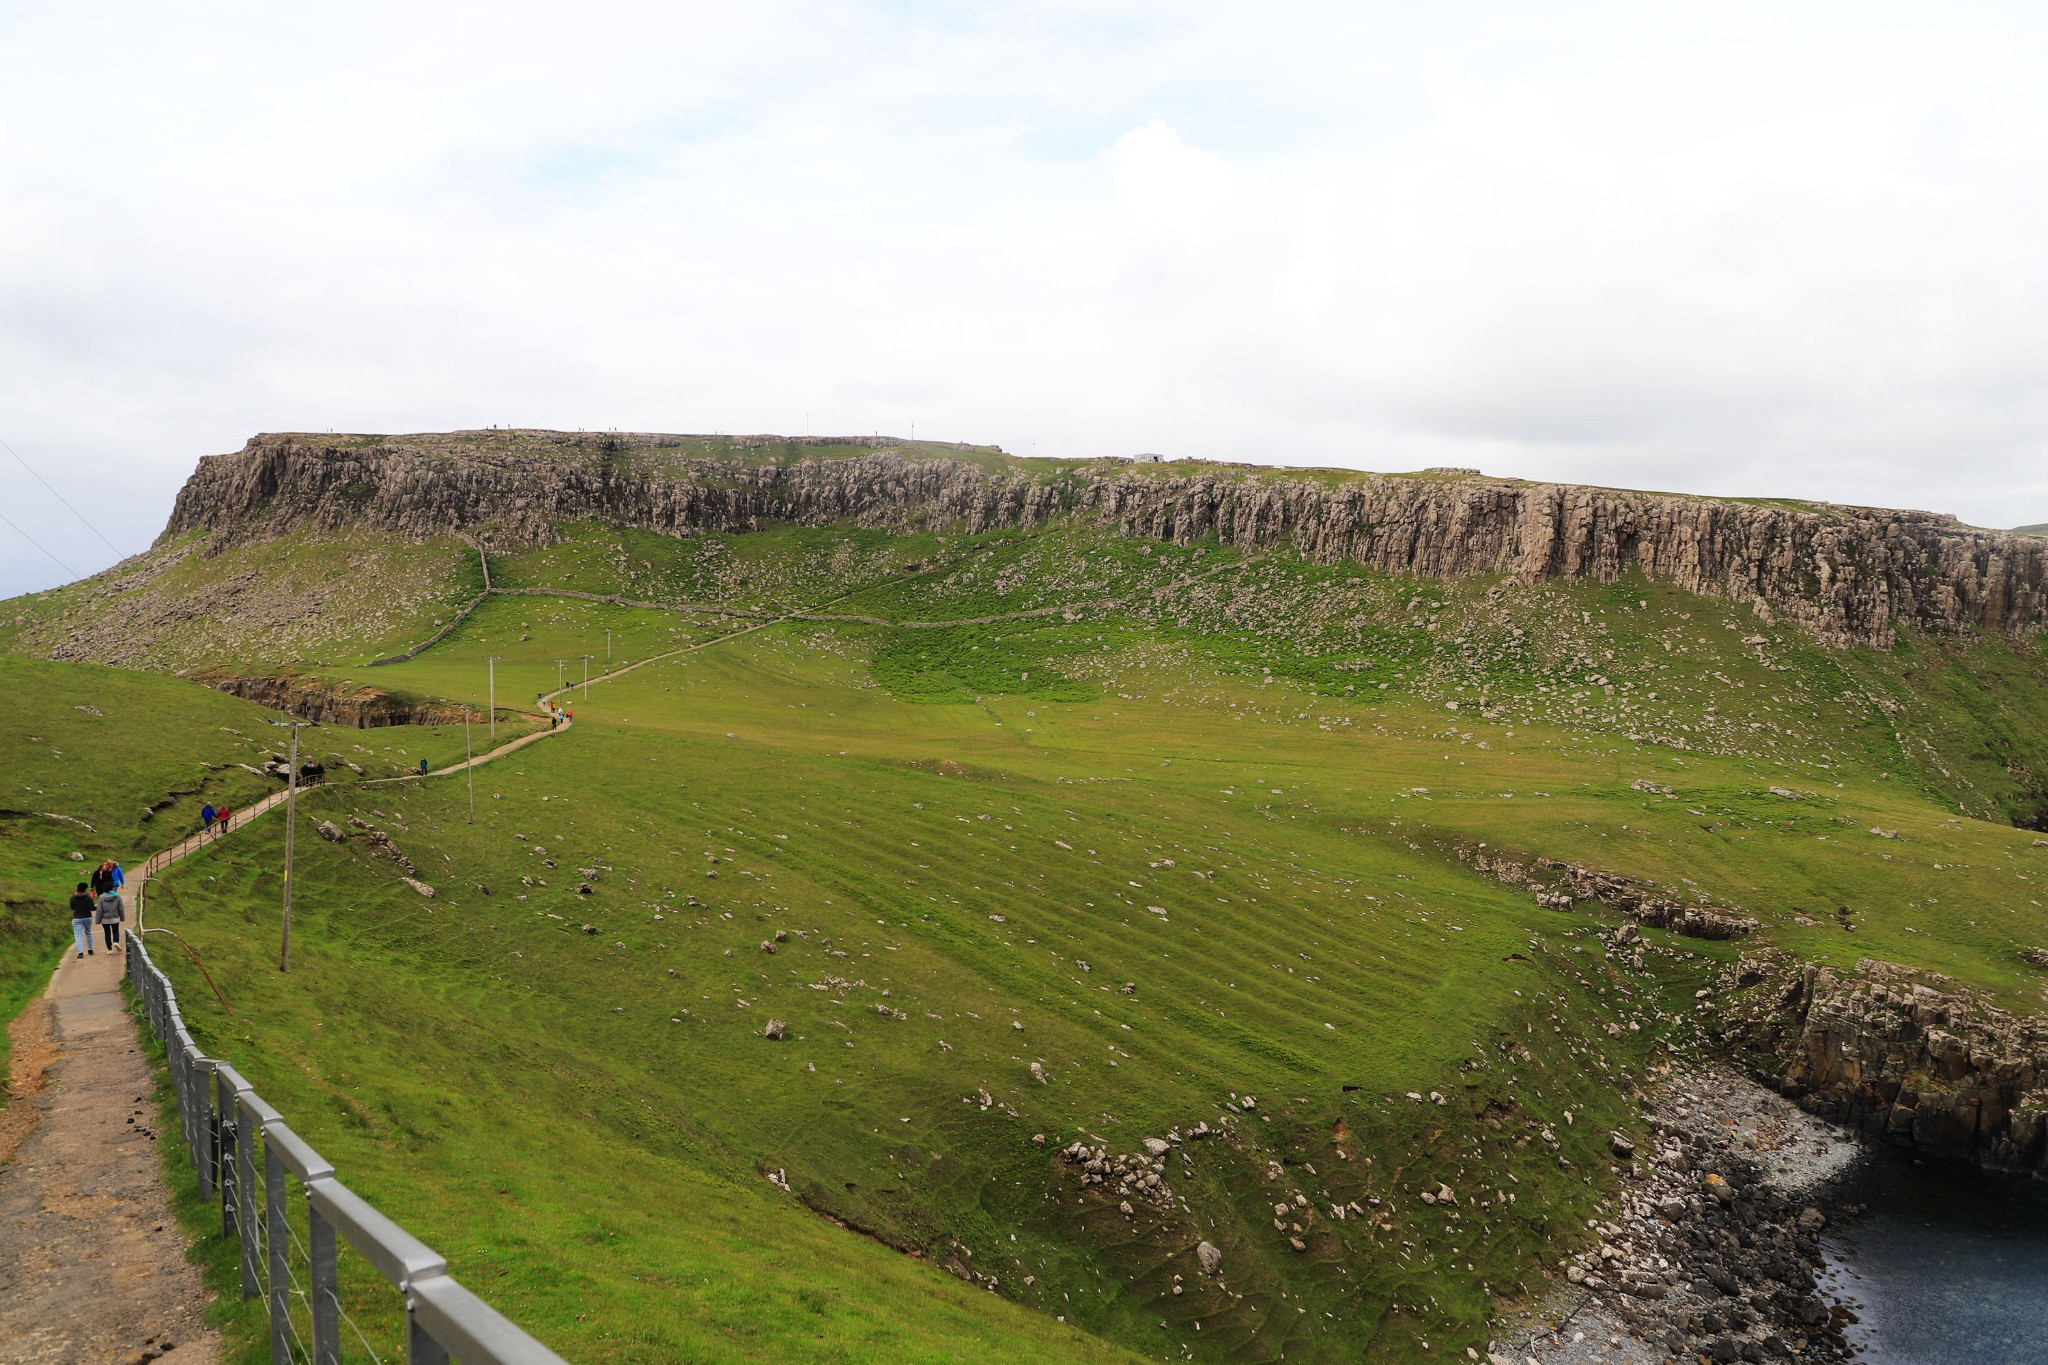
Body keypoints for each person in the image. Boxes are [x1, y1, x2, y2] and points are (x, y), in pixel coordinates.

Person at [68, 882, 95, 959]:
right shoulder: (88, 897)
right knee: (88, 932)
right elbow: (92, 908)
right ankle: (90, 950)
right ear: (85, 889)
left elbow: (72, 907)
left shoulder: (73, 898)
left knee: (78, 935)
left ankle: (80, 953)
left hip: (77, 917)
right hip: (87, 917)